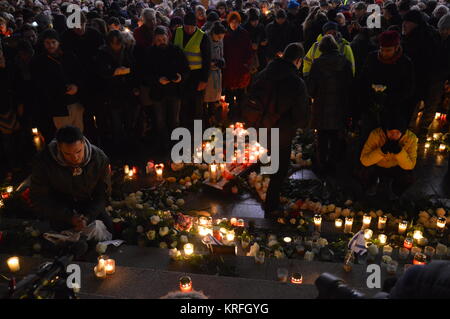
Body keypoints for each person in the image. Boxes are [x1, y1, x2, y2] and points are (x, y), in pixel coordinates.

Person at [245, 43, 308, 217]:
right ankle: (271, 205)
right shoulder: (296, 82)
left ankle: (260, 176)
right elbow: (300, 114)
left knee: (271, 156)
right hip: (281, 132)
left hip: (259, 127)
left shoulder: (264, 73)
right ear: (298, 60)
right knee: (280, 169)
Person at [30, 125, 113, 233]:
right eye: (68, 154)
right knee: (61, 234)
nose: (75, 158)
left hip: (89, 204)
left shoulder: (99, 159)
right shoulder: (44, 162)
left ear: (83, 143)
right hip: (60, 207)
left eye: (78, 151)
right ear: (59, 148)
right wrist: (69, 217)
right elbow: (39, 197)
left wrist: (88, 216)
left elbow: (103, 194)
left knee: (108, 229)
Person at [307, 34, 353, 176]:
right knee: (335, 137)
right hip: (339, 106)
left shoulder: (317, 64)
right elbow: (350, 86)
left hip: (321, 107)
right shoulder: (345, 63)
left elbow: (310, 89)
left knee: (322, 137)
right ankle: (333, 164)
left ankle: (322, 166)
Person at [358, 30, 415, 139]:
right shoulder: (372, 58)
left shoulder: (405, 63)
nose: (384, 53)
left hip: (393, 111)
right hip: (370, 108)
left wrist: (390, 98)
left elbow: (408, 88)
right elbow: (362, 81)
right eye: (382, 49)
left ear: (397, 47)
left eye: (388, 50)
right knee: (367, 139)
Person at [31, 29, 84, 141]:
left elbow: (79, 74)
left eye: (53, 42)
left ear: (58, 42)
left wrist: (76, 86)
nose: (50, 45)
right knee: (64, 137)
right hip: (58, 106)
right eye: (47, 43)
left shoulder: (69, 56)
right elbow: (41, 84)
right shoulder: (40, 62)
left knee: (79, 134)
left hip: (75, 102)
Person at [143, 26, 190, 154]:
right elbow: (145, 74)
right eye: (158, 40)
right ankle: (164, 145)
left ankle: (176, 145)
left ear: (168, 38)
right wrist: (157, 80)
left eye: (163, 39)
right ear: (154, 40)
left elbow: (186, 69)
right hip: (158, 93)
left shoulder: (176, 51)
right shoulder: (150, 53)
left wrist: (180, 77)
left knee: (174, 120)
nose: (161, 42)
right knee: (160, 121)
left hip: (174, 92)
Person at [94, 30, 137, 150]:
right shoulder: (103, 53)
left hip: (127, 92)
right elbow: (100, 72)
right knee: (115, 122)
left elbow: (134, 67)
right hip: (112, 93)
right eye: (114, 44)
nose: (117, 46)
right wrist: (113, 72)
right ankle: (118, 146)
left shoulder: (126, 51)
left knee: (129, 120)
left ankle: (130, 145)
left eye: (118, 43)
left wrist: (129, 73)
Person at [401, 9, 441, 138]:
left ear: (415, 23)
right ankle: (414, 130)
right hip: (423, 78)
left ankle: (410, 133)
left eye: (406, 22)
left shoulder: (420, 37)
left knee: (413, 106)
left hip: (419, 78)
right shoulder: (428, 33)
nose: (404, 25)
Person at [359, 112, 418, 199]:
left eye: (397, 132)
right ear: (385, 130)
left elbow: (410, 165)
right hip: (377, 165)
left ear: (403, 131)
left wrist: (399, 152)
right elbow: (364, 160)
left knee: (409, 178)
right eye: (390, 132)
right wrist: (381, 151)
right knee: (361, 172)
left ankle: (395, 192)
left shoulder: (411, 138)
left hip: (396, 167)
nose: (393, 135)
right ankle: (371, 187)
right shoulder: (376, 134)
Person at [174, 11, 211, 131]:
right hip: (181, 76)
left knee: (197, 107)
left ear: (196, 26)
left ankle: (198, 131)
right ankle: (185, 130)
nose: (189, 29)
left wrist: (204, 80)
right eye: (187, 26)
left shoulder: (203, 36)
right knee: (183, 105)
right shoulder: (177, 32)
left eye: (192, 27)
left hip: (196, 76)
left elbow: (207, 60)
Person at [223, 11, 253, 122]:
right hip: (230, 67)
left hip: (241, 67)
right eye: (232, 22)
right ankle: (231, 111)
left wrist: (246, 63)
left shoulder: (244, 34)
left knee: (241, 92)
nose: (234, 24)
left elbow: (248, 50)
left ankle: (241, 111)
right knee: (230, 90)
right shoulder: (226, 35)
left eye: (236, 22)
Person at [204, 22, 226, 126]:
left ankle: (213, 118)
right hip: (207, 74)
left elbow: (221, 54)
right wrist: (211, 63)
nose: (220, 39)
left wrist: (221, 61)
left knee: (214, 100)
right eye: (218, 36)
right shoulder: (205, 39)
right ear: (213, 33)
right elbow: (203, 56)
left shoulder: (220, 40)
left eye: (222, 37)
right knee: (205, 99)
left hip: (217, 72)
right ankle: (206, 120)